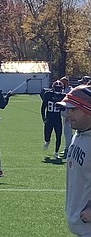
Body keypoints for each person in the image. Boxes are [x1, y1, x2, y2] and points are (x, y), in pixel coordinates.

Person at [56, 85, 91, 236]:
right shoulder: (79, 134)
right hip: (80, 225)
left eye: (73, 109)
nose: (68, 114)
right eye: (67, 110)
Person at [41, 80, 65, 159]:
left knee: (59, 135)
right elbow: (43, 106)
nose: (58, 89)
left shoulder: (63, 96)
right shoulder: (48, 94)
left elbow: (64, 109)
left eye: (59, 88)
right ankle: (47, 141)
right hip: (49, 118)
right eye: (56, 87)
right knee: (47, 135)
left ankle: (56, 152)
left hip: (57, 118)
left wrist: (60, 105)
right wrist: (43, 117)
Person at [61, 77, 74, 157]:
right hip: (64, 114)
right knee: (66, 133)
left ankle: (68, 148)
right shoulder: (64, 90)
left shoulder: (70, 90)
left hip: (68, 115)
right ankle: (67, 147)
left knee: (68, 132)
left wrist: (69, 115)